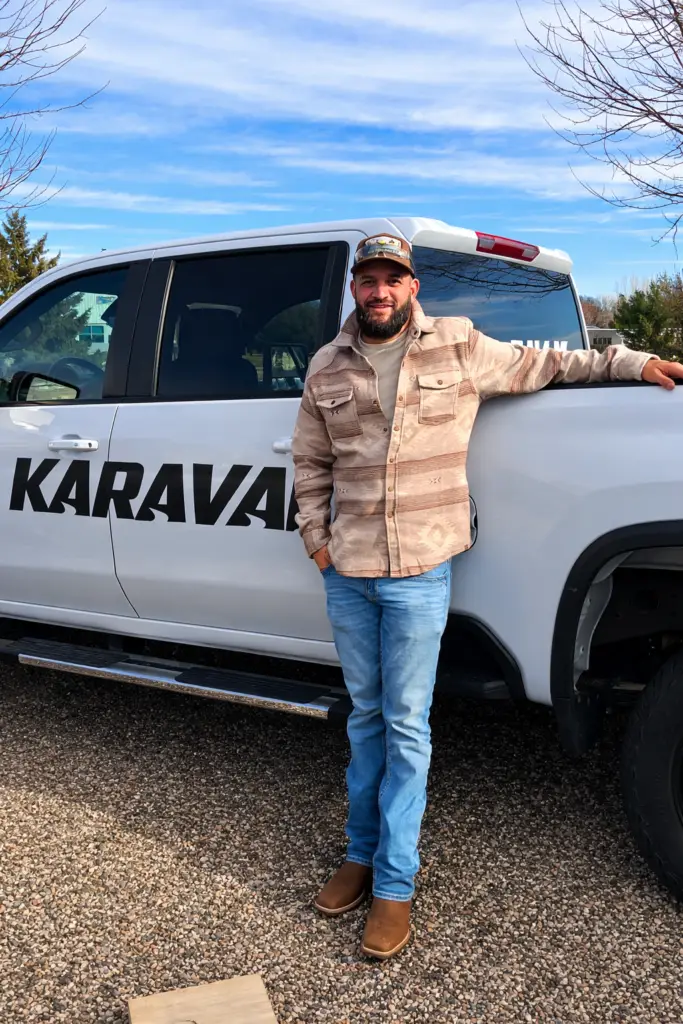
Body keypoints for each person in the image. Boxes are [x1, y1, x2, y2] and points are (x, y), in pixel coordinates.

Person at [291, 233, 683, 960]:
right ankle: (357, 853)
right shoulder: (327, 366)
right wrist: (318, 541)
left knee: (405, 726)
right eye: (369, 279)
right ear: (355, 288)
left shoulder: (459, 345)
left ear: (412, 287)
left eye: (392, 278)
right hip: (348, 571)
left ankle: (394, 884)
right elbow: (309, 463)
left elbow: (553, 362)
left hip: (419, 572)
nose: (380, 290)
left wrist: (632, 363)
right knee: (365, 718)